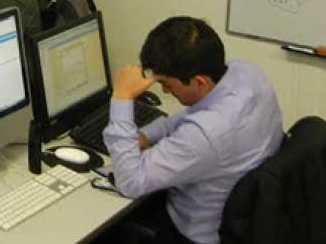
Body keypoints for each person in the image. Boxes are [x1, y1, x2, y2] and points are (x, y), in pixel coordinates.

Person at [103, 16, 283, 244]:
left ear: (199, 82)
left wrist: (121, 98)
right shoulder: (246, 73)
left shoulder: (206, 135)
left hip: (190, 233)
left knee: (104, 223)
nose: (165, 92)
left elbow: (130, 182)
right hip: (242, 213)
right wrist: (146, 135)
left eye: (167, 84)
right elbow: (193, 116)